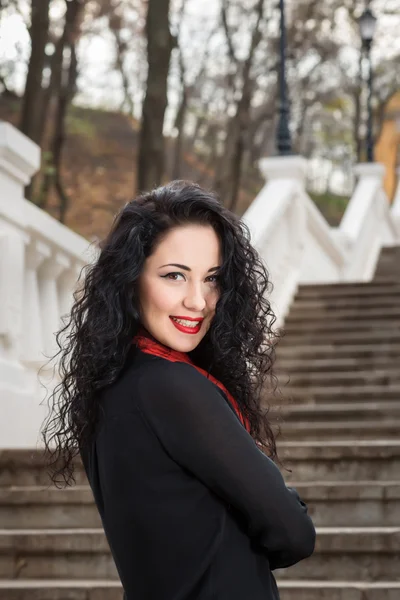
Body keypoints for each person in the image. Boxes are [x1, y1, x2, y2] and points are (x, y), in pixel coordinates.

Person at [41, 180, 315, 600]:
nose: (199, 301)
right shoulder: (171, 386)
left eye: (212, 279)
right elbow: (294, 533)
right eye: (174, 276)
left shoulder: (113, 385)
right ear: (131, 280)